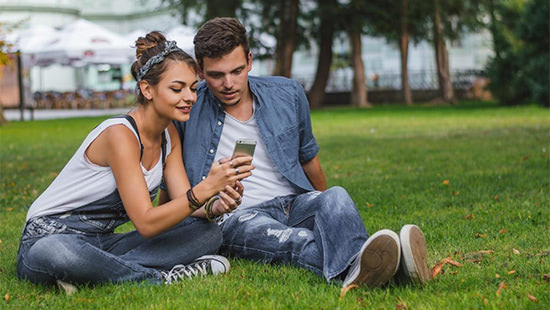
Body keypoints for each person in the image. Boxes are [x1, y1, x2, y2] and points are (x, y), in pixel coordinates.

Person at [162, 17, 431, 288]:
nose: (228, 83)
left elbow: (309, 158)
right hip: (238, 216)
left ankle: (369, 269)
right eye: (216, 75)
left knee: (336, 197)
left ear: (250, 61)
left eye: (237, 71)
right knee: (298, 241)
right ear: (199, 70)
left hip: (293, 203)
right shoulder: (186, 108)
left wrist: (324, 206)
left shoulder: (287, 93)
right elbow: (172, 184)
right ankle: (391, 273)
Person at [16, 31, 255, 291]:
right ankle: (158, 277)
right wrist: (205, 188)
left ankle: (95, 271)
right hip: (47, 241)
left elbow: (184, 200)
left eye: (193, 88)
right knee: (59, 252)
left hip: (103, 243)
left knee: (207, 233)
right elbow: (146, 222)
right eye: (177, 88)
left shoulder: (168, 134)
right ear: (147, 89)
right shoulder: (120, 134)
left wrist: (216, 205)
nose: (189, 97)